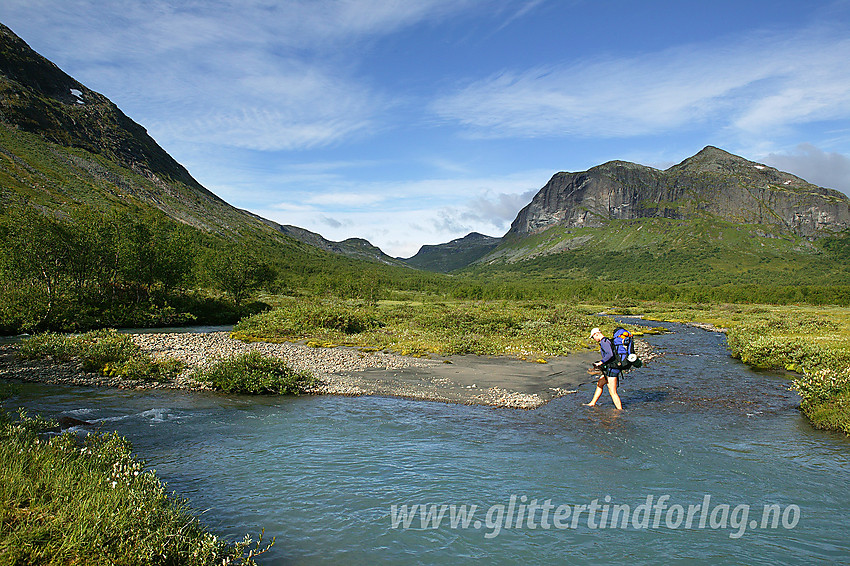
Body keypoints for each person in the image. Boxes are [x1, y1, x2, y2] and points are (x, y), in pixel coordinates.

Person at [583, 327, 623, 410]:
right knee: (600, 384)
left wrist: (600, 362)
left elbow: (610, 354)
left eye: (593, 337)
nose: (594, 339)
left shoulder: (604, 342)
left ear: (596, 334)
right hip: (610, 368)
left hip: (613, 369)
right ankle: (592, 403)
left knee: (613, 392)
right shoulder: (606, 341)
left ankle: (620, 411)